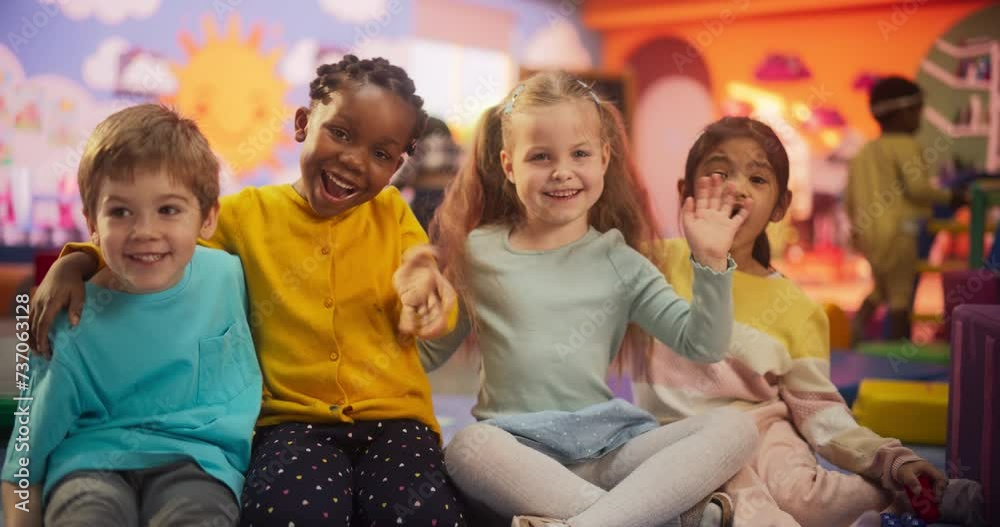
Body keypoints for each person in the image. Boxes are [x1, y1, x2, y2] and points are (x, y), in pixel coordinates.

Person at [27, 56, 468, 527]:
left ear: (397, 166)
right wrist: (77, 260)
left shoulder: (394, 214)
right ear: (303, 123)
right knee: (288, 515)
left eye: (380, 154)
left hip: (398, 422)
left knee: (427, 516)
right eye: (340, 133)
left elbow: (429, 294)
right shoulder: (244, 214)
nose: (354, 160)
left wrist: (431, 298)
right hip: (290, 424)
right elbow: (158, 247)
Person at [398, 71, 759, 527]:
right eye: (540, 156)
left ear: (604, 159)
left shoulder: (621, 262)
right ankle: (664, 519)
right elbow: (425, 355)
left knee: (737, 428)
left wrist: (711, 263)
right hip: (514, 455)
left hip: (609, 452)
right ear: (509, 166)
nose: (562, 171)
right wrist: (412, 308)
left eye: (580, 154)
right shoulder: (479, 254)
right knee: (467, 447)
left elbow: (703, 345)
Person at [632, 116, 985, 527]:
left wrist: (891, 461)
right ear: (685, 192)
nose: (736, 187)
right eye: (719, 172)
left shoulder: (798, 309)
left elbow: (819, 410)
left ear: (780, 206)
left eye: (757, 179)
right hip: (677, 437)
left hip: (764, 434)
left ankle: (913, 497)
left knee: (804, 500)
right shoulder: (651, 263)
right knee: (731, 507)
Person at [2, 103, 261, 527]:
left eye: (168, 210)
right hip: (90, 465)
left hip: (199, 465)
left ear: (208, 217)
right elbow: (25, 457)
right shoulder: (69, 317)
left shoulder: (229, 275)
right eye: (120, 212)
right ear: (92, 222)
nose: (144, 232)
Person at [846, 76, 966, 342]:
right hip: (900, 232)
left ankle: (855, 332)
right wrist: (952, 197)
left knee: (881, 289)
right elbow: (918, 189)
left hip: (869, 234)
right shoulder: (907, 146)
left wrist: (856, 230)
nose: (919, 119)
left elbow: (849, 198)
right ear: (902, 113)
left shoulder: (864, 152)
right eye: (917, 112)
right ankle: (897, 351)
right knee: (901, 294)